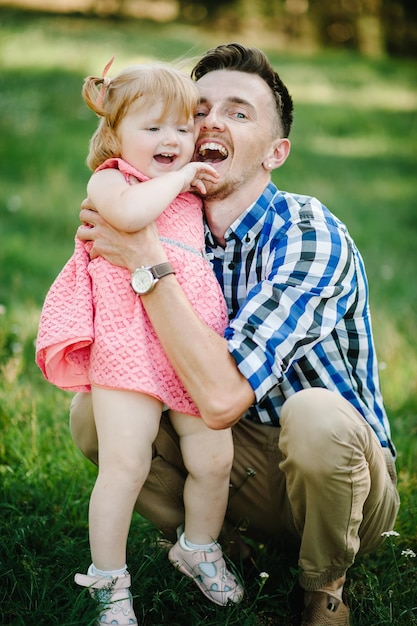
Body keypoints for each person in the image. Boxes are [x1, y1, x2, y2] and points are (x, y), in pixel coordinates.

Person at [70, 43, 400, 625]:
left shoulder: (308, 233)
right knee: (93, 410)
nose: (211, 123)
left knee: (315, 414)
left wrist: (147, 261)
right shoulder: (172, 222)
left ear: (277, 152)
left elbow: (222, 399)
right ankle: (211, 547)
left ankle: (323, 590)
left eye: (239, 112)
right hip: (232, 459)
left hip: (338, 483)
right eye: (198, 111)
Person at [36, 60, 244, 625]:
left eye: (181, 127)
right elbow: (129, 216)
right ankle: (109, 579)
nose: (172, 140)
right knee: (124, 464)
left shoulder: (191, 190)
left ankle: (198, 545)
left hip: (188, 337)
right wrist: (179, 178)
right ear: (114, 135)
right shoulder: (113, 180)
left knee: (214, 455)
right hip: (129, 342)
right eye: (152, 128)